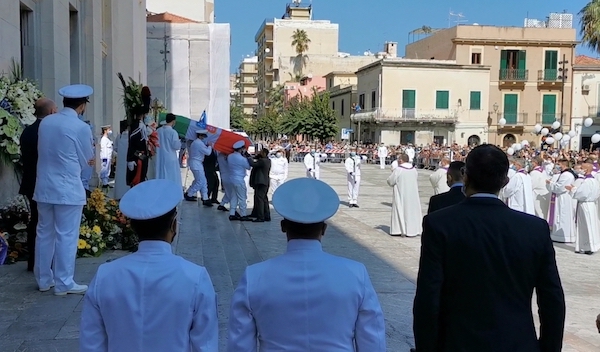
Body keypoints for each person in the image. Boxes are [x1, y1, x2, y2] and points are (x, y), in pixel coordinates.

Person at [413, 144, 565, 352]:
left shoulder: (440, 224)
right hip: (517, 344)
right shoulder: (534, 229)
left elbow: (428, 297)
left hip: (458, 343)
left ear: (465, 176)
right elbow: (552, 300)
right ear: (505, 181)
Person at [227, 178, 386, 351]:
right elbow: (372, 339)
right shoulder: (355, 273)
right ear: (324, 229)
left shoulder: (254, 276)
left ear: (283, 227)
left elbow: (239, 343)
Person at [79, 179, 218, 351]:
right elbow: (205, 345)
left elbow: (91, 344)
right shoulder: (195, 277)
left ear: (132, 227)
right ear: (173, 226)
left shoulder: (105, 275)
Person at [34, 84, 95, 295]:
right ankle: (64, 282)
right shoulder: (81, 127)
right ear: (82, 106)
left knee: (44, 233)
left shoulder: (47, 122)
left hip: (43, 185)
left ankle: (43, 279)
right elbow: (88, 159)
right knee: (66, 235)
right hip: (67, 187)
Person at [19, 98, 57, 272]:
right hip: (44, 182)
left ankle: (33, 260)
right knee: (46, 223)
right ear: (50, 112)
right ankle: (44, 261)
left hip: (29, 182)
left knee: (35, 221)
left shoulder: (27, 131)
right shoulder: (47, 132)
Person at [567, 161, 600, 254]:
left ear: (586, 169)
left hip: (585, 204)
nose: (580, 169)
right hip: (591, 204)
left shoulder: (587, 182)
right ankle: (584, 246)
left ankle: (589, 247)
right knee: (588, 225)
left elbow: (582, 194)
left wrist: (572, 189)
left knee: (587, 225)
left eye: (582, 168)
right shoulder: (595, 181)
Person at [387, 154, 422, 237]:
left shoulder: (399, 169)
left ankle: (399, 229)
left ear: (401, 160)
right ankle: (413, 230)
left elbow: (391, 181)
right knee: (411, 211)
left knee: (401, 209)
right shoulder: (414, 169)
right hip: (412, 194)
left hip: (401, 193)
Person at [126, 87, 152, 187]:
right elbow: (133, 143)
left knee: (141, 179)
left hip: (141, 156)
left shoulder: (141, 125)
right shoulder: (137, 126)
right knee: (136, 180)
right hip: (137, 157)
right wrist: (131, 159)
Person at [546, 158, 576, 243]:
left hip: (563, 198)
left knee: (562, 215)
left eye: (559, 164)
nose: (557, 166)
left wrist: (550, 183)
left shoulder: (566, 175)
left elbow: (560, 187)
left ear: (563, 165)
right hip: (562, 197)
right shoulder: (565, 174)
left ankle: (562, 236)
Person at [185, 130, 213, 206]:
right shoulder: (199, 143)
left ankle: (205, 198)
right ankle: (189, 194)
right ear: (200, 136)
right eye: (204, 136)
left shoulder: (196, 143)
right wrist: (210, 146)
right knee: (200, 181)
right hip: (196, 164)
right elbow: (208, 153)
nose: (205, 138)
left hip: (196, 163)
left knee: (202, 181)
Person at [155, 113, 182, 190]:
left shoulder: (158, 131)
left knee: (161, 175)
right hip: (170, 157)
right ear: (173, 121)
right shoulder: (173, 132)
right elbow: (176, 146)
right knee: (171, 176)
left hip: (160, 156)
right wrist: (179, 141)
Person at [228, 140, 252, 221]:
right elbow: (248, 167)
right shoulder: (242, 159)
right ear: (241, 149)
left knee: (234, 197)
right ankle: (243, 215)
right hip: (239, 179)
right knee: (242, 197)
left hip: (231, 178)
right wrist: (247, 157)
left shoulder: (229, 156)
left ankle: (232, 213)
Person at [248, 148, 271, 222]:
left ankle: (261, 217)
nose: (259, 153)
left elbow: (253, 164)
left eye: (261, 152)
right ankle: (265, 215)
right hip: (264, 182)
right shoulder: (267, 160)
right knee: (263, 199)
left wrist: (248, 157)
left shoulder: (262, 161)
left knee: (260, 199)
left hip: (261, 182)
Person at [113, 120, 129, 200]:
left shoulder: (119, 136)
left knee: (120, 177)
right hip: (128, 160)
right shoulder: (130, 136)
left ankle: (119, 194)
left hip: (120, 161)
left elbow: (115, 148)